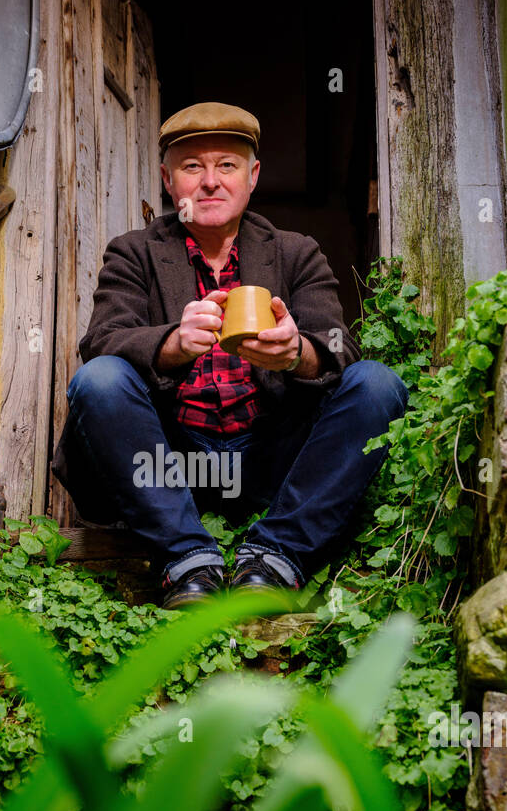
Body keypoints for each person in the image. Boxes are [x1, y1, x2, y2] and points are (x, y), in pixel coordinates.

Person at [51, 101, 408, 609]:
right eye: (192, 166)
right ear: (168, 181)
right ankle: (189, 560)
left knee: (377, 384)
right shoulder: (133, 252)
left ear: (253, 176)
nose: (210, 182)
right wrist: (171, 345)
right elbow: (102, 341)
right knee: (100, 379)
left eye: (227, 165)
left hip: (270, 459)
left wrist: (296, 353)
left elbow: (339, 347)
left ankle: (275, 556)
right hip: (171, 464)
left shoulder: (295, 251)